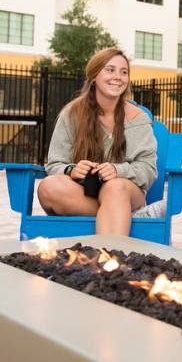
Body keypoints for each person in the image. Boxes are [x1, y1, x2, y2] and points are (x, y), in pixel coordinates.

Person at [38, 48, 157, 235]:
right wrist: (72, 170)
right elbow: (54, 164)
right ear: (94, 76)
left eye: (123, 72)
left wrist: (118, 170)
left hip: (125, 191)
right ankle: (124, 214)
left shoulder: (137, 119)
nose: (118, 77)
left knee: (114, 187)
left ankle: (110, 259)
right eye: (110, 70)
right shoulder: (72, 115)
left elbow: (148, 170)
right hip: (85, 192)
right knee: (48, 187)